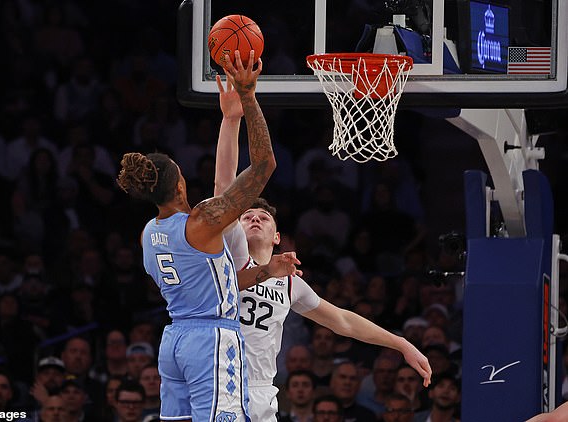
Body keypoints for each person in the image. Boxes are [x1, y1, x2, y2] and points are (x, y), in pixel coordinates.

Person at [212, 68, 432, 422]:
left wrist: (402, 344)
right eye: (247, 215)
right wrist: (231, 119)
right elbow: (223, 189)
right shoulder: (231, 252)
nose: (254, 218)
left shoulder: (289, 282)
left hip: (263, 391)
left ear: (278, 236)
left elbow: (343, 321)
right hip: (221, 383)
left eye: (263, 218)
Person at [117, 50, 298, 422]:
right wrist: (248, 96)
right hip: (211, 341)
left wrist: (266, 271)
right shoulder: (201, 221)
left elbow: (215, 284)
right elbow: (264, 164)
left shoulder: (148, 234)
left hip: (174, 341)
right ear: (180, 185)